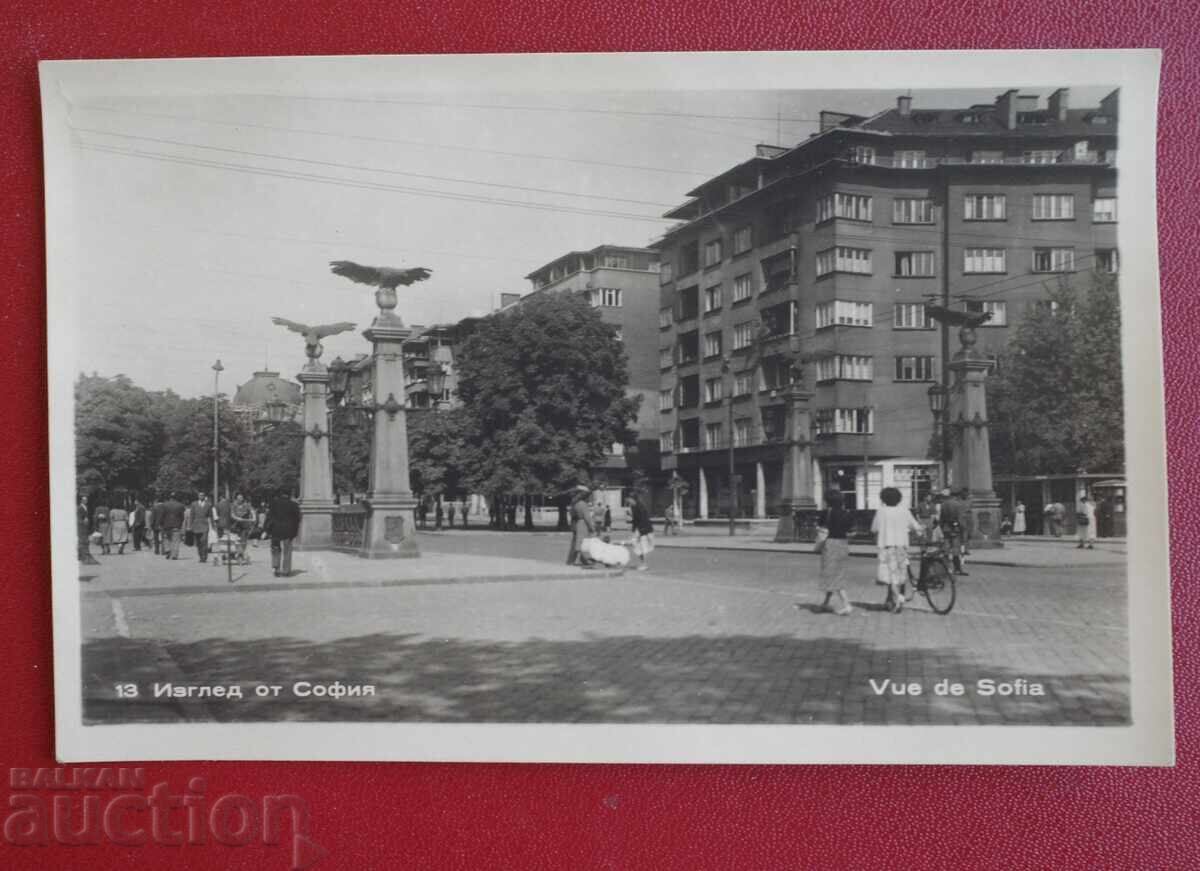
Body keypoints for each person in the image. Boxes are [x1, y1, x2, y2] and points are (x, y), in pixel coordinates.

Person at [872, 486, 923, 613]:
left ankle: (897, 600)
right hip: (901, 546)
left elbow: (874, 529)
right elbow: (916, 526)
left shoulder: (881, 511)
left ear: (883, 499)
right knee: (899, 574)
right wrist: (919, 532)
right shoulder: (904, 511)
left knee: (890, 576)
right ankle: (890, 600)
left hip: (887, 546)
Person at [816, 489, 854, 616]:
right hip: (843, 544)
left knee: (832, 575)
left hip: (830, 545)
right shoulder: (847, 513)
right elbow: (851, 531)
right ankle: (826, 602)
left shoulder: (826, 513)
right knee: (837, 573)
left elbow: (820, 527)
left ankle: (846, 604)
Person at [265, 489, 302, 577]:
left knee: (275, 549)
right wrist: (295, 531)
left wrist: (266, 530)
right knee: (287, 550)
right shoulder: (294, 505)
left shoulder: (273, 503)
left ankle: (276, 568)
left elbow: (269, 517)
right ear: (290, 495)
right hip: (288, 530)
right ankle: (286, 571)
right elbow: (298, 519)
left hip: (275, 529)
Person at [936, 488, 968, 576]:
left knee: (946, 549)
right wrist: (963, 529)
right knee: (956, 549)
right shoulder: (958, 505)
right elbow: (960, 519)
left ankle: (945, 568)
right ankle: (957, 568)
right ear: (956, 496)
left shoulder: (943, 505)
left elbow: (941, 519)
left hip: (946, 529)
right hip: (955, 529)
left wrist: (942, 528)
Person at [566, 486, 596, 566]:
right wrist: (591, 527)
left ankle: (571, 560)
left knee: (576, 542)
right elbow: (587, 517)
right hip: (583, 524)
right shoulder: (583, 504)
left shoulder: (575, 503)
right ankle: (584, 559)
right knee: (583, 542)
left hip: (576, 523)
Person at [627, 494, 654, 572]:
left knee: (643, 546)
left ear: (633, 499)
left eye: (629, 499)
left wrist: (641, 532)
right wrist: (633, 530)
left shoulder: (640, 506)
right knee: (636, 544)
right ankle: (642, 563)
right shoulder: (633, 507)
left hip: (645, 529)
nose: (628, 501)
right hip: (639, 528)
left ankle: (644, 564)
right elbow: (636, 519)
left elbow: (644, 519)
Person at [187, 492, 213, 563]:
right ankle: (200, 555)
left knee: (204, 541)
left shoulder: (208, 504)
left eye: (203, 495)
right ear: (198, 496)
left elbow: (211, 516)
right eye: (200, 495)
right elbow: (191, 515)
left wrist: (213, 525)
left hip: (205, 524)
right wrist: (190, 526)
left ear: (205, 496)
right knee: (198, 542)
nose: (201, 496)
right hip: (196, 525)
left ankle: (204, 557)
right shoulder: (194, 504)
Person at [159, 492, 186, 559]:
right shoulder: (180, 505)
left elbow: (162, 516)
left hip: (166, 525)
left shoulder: (164, 505)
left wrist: (161, 523)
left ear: (169, 497)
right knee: (176, 541)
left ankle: (168, 550)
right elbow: (182, 517)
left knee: (166, 538)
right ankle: (174, 555)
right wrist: (180, 523)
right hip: (176, 526)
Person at [231, 492, 254, 562]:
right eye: (238, 498)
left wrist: (254, 517)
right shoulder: (233, 505)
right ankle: (237, 553)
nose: (240, 499)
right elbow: (231, 514)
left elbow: (252, 511)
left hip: (244, 525)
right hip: (236, 525)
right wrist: (236, 518)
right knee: (236, 540)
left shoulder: (246, 505)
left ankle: (241, 553)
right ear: (236, 498)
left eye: (241, 498)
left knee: (244, 540)